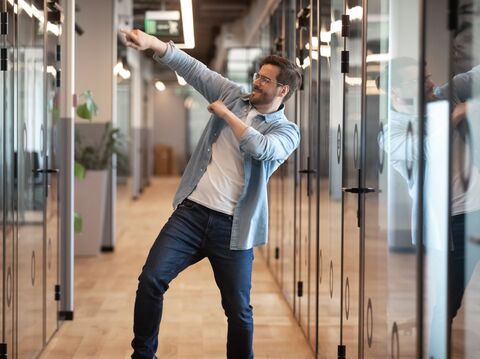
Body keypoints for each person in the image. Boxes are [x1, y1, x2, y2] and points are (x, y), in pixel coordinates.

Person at [120, 28, 302, 359]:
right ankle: (142, 355)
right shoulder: (232, 94)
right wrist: (152, 44)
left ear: (283, 89)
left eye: (265, 79)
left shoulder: (286, 131)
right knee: (150, 281)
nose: (256, 82)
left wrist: (227, 115)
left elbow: (261, 148)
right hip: (191, 215)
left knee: (238, 311)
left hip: (233, 229)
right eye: (257, 75)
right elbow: (194, 69)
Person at [377, 58, 480, 356]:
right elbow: (429, 149)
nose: (431, 85)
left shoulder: (446, 95)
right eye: (419, 82)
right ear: (396, 94)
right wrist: (457, 115)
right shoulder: (392, 132)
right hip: (449, 225)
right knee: (448, 302)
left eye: (428, 77)